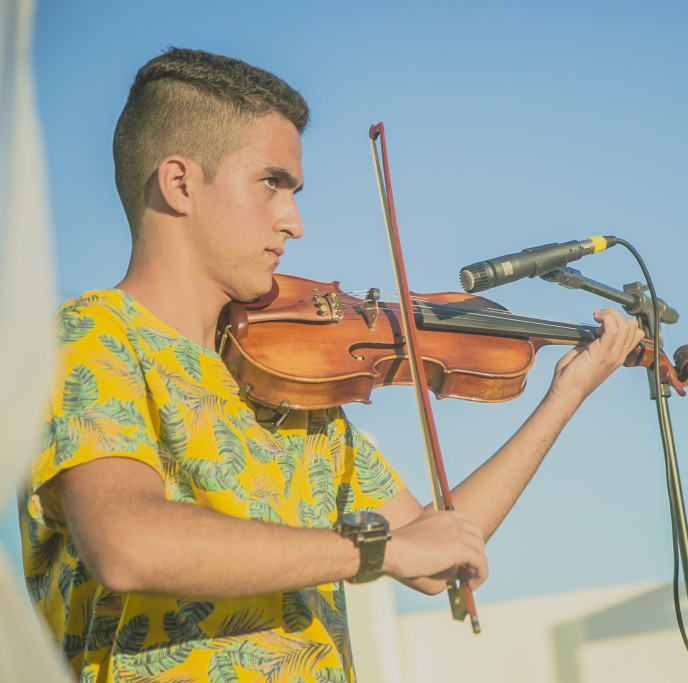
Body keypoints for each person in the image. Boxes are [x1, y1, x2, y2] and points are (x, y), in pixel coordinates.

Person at [20, 48, 643, 682]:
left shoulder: (285, 380)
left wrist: (562, 398)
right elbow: (127, 544)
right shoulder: (90, 338)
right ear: (179, 184)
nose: (293, 221)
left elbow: (431, 556)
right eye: (271, 183)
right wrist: (376, 549)